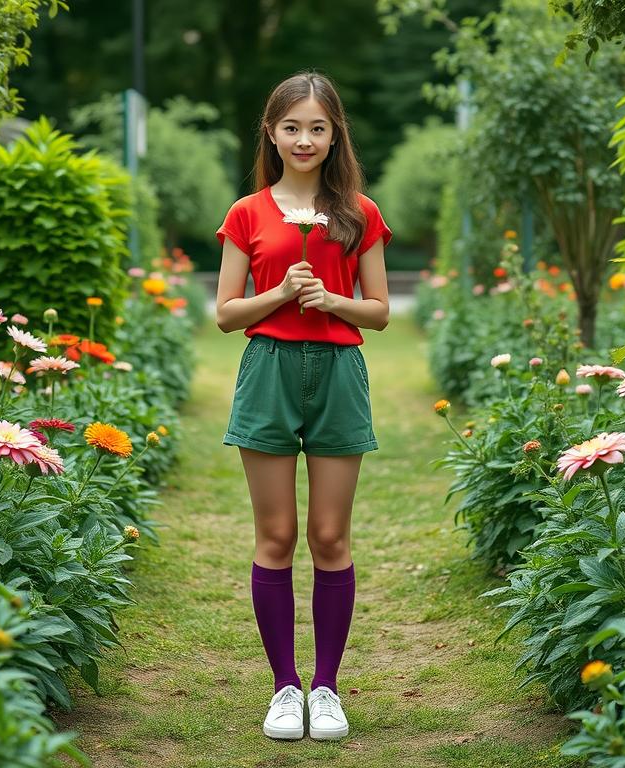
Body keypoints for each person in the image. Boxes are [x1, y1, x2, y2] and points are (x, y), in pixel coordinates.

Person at [214, 70, 392, 742]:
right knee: (277, 537)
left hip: (340, 373)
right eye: (292, 126)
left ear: (334, 132)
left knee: (329, 538)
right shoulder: (247, 212)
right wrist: (283, 293)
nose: (305, 139)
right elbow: (228, 314)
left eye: (318, 127)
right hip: (268, 372)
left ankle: (327, 688)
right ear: (272, 131)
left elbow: (376, 313)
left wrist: (332, 301)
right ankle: (285, 687)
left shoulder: (360, 213)